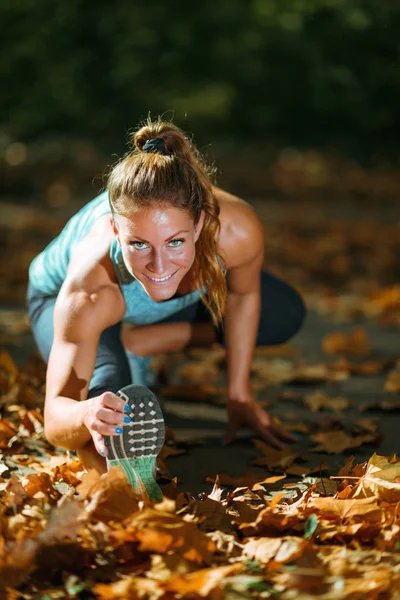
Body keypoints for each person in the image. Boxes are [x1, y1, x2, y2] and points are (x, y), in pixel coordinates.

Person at [27, 118, 305, 480]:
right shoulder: (90, 288)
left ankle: (139, 342)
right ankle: (117, 370)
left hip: (153, 305)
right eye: (138, 243)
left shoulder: (237, 231)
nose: (159, 265)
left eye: (175, 241)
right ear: (115, 230)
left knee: (281, 311)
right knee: (112, 411)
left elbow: (243, 296)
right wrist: (85, 414)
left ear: (200, 225)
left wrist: (239, 394)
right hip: (61, 299)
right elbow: (55, 419)